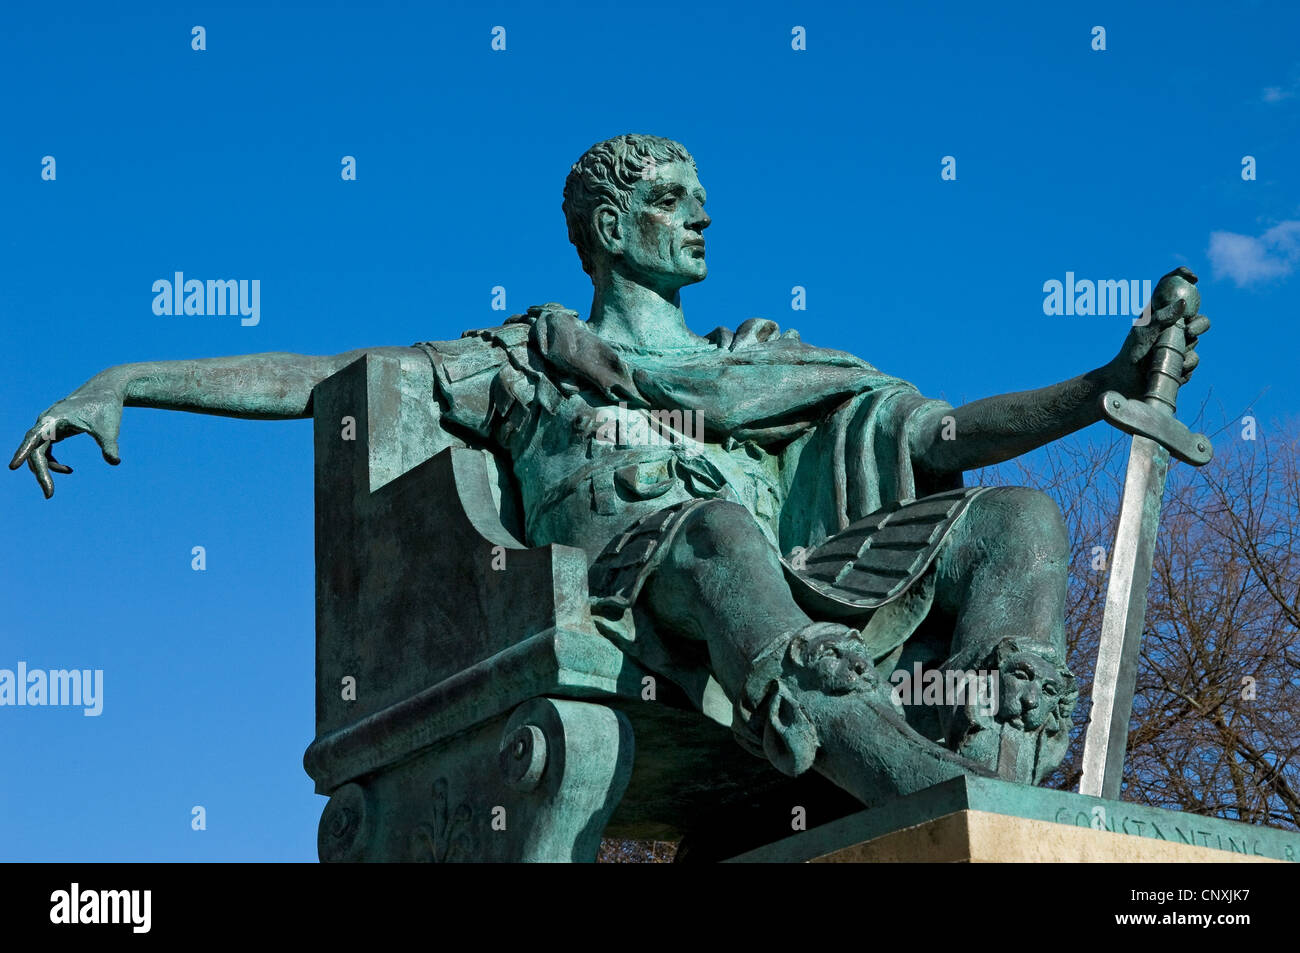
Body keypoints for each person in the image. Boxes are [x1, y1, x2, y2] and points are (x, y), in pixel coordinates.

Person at [11, 134, 1209, 807]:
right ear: (608, 227)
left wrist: (1101, 377)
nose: (699, 218)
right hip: (623, 589)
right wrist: (130, 376)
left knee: (1018, 521)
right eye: (671, 200)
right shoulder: (521, 361)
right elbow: (325, 374)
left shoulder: (762, 363)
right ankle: (912, 784)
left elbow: (944, 436)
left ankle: (1004, 795)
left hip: (791, 595)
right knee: (709, 531)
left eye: (701, 200)